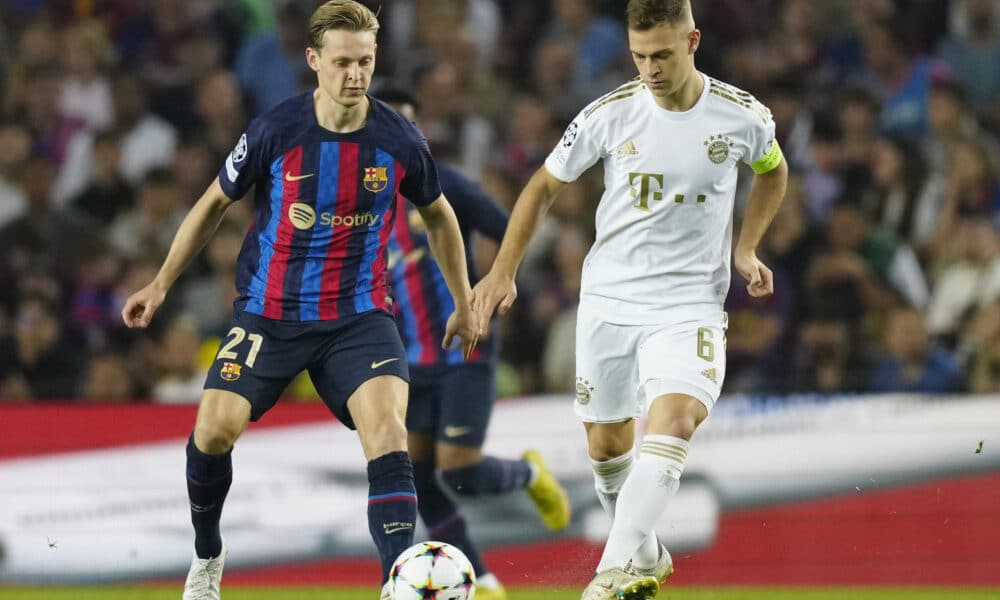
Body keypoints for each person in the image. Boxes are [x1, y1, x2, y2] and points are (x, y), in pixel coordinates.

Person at [119, 3, 481, 599]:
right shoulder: (275, 130)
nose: (355, 75)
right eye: (342, 62)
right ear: (314, 61)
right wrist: (160, 282)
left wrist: (463, 301)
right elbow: (213, 203)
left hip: (359, 317)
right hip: (270, 313)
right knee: (213, 431)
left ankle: (398, 580)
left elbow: (439, 216)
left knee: (389, 432)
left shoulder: (398, 139)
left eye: (365, 61)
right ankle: (208, 554)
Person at [472, 1, 788, 599]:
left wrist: (746, 249)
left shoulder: (741, 116)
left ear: (692, 41)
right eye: (639, 56)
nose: (650, 69)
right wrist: (503, 271)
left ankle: (609, 574)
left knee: (673, 421)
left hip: (689, 302)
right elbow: (543, 185)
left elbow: (773, 171)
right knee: (606, 449)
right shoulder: (609, 115)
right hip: (610, 299)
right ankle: (646, 555)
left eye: (662, 55)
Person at [377, 88, 572, 600]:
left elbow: (507, 229)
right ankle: (481, 579)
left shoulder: (445, 187)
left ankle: (529, 472)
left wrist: (490, 285)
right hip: (408, 359)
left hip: (465, 346)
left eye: (410, 125)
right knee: (417, 476)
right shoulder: (362, 204)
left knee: (458, 469)